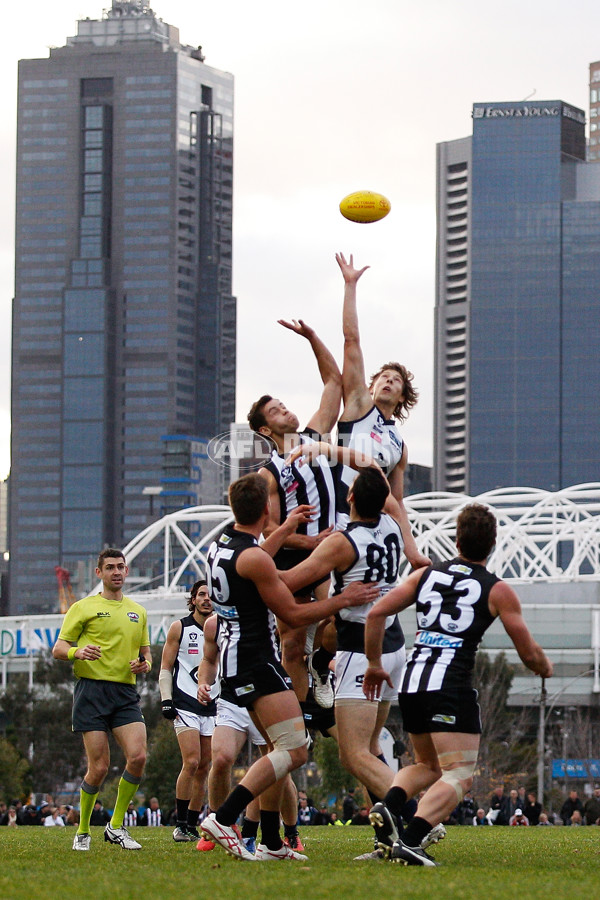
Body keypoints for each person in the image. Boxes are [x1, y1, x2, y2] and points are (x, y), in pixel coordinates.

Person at [199, 472, 378, 861]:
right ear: (266, 508)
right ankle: (223, 817)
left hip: (235, 658)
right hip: (256, 660)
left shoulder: (221, 547)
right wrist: (343, 600)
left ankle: (271, 843)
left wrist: (289, 529)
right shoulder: (255, 559)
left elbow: (259, 558)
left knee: (273, 750)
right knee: (295, 750)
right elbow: (294, 614)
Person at [362, 503, 553, 865]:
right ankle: (410, 839)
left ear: (456, 539)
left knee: (427, 767)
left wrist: (374, 663)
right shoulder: (497, 590)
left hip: (414, 682)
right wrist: (545, 667)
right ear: (493, 544)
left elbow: (376, 612)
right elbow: (528, 653)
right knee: (460, 774)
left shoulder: (426, 575)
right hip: (450, 686)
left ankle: (388, 807)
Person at [280, 463, 407, 837]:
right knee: (370, 747)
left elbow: (288, 580)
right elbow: (383, 484)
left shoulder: (342, 541)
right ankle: (390, 836)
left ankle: (418, 815)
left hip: (360, 648)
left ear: (349, 496)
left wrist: (286, 535)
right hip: (395, 643)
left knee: (353, 755)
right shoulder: (393, 522)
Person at [248, 318, 341, 706]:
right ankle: (299, 713)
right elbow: (267, 527)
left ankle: (323, 663)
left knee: (337, 620)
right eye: (276, 410)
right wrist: (306, 537)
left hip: (328, 552)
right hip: (291, 557)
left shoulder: (315, 439)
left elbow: (334, 382)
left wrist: (312, 338)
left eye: (284, 405)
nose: (285, 410)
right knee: (289, 645)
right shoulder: (267, 473)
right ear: (266, 430)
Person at [334, 252, 430, 570]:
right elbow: (351, 341)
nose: (388, 382)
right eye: (383, 378)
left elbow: (396, 502)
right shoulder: (360, 408)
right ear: (372, 386)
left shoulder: (399, 445)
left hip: (372, 533)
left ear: (402, 396)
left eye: (396, 380)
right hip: (336, 519)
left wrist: (410, 550)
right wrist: (350, 285)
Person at [52, 548, 151, 852]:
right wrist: (76, 652)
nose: (117, 572)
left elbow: (145, 652)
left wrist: (144, 663)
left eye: (121, 567)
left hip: (124, 694)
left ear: (126, 570)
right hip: (91, 692)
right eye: (110, 568)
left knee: (138, 757)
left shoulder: (138, 611)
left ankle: (116, 826)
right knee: (99, 768)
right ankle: (82, 831)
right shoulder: (82, 607)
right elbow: (58, 648)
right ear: (99, 573)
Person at [196, 608, 303, 856]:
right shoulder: (214, 624)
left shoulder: (271, 616)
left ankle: (277, 832)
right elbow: (209, 660)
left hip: (267, 696)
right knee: (221, 758)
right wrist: (204, 682)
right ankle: (220, 823)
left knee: (277, 763)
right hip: (232, 699)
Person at [159, 579, 216, 842]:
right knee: (191, 761)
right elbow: (165, 668)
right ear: (193, 599)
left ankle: (192, 825)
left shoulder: (222, 629)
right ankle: (180, 823)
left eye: (211, 595)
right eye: (201, 594)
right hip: (184, 704)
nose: (207, 599)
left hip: (213, 705)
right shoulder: (179, 628)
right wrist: (166, 699)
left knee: (205, 766)